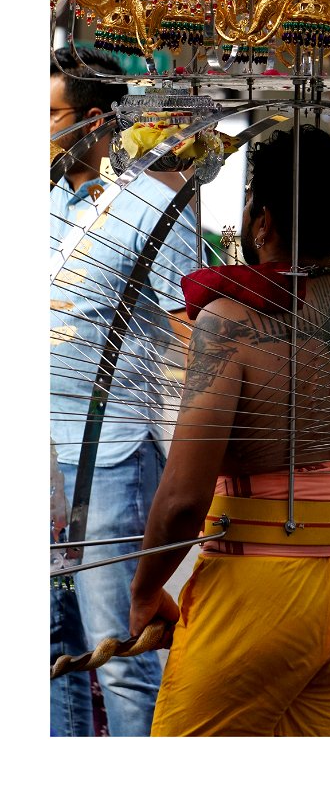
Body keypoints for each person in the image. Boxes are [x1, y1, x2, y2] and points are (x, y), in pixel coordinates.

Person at [128, 125, 330, 736]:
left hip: (255, 586)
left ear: (261, 220)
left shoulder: (231, 321)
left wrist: (146, 590)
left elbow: (184, 499)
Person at [50, 48, 199, 736]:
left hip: (112, 458)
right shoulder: (45, 203)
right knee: (50, 657)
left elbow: (194, 340)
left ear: (94, 122)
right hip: (41, 459)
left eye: (48, 116)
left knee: (121, 656)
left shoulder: (151, 205)